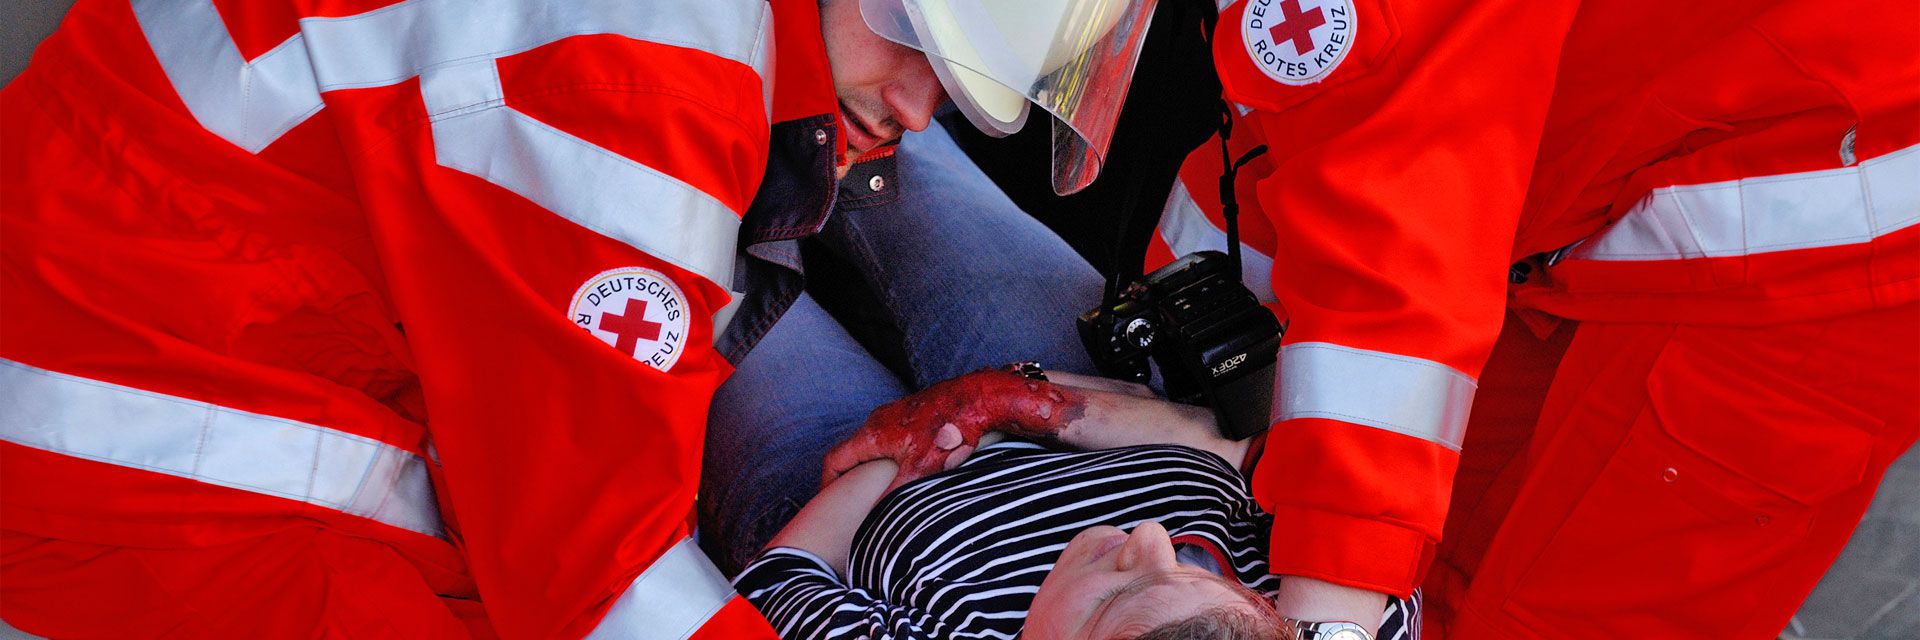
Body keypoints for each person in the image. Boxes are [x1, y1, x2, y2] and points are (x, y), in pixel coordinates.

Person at [816, 0, 1920, 638]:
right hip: (1614, 158)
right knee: (1419, 555)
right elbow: (1325, 151)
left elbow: (1394, 291)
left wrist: (1332, 625)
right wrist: (1177, 402)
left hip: (1808, 256)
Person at [0, 0, 947, 636]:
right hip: (120, 437)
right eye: (911, 30)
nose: (918, 108)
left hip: (124, 251)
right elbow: (596, 575)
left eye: (968, 79)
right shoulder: (648, 90)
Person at [735, 366, 1418, 639]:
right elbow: (1255, 450)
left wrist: (901, 459)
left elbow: (781, 578)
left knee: (750, 311)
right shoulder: (1341, 619)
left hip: (851, 481)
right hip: (1076, 392)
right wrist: (1004, 398)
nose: (1150, 537)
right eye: (1198, 571)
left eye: (1116, 598)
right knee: (929, 177)